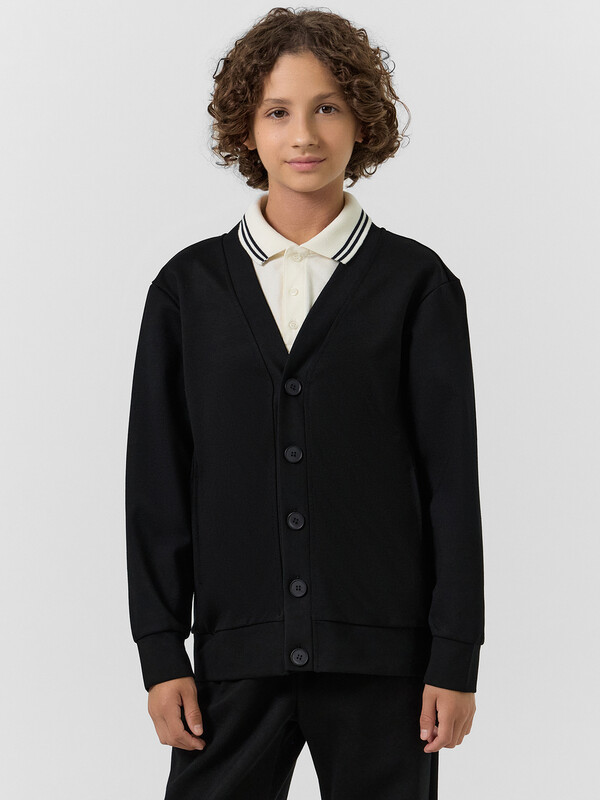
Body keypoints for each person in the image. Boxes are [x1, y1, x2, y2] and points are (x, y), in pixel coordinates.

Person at [125, 7, 485, 799]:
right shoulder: (187, 291)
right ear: (246, 129)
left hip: (385, 665)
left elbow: (452, 485)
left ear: (363, 120)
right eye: (277, 112)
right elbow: (157, 485)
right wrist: (161, 652)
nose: (305, 135)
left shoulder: (416, 286)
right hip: (231, 661)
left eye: (328, 107)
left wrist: (455, 657)